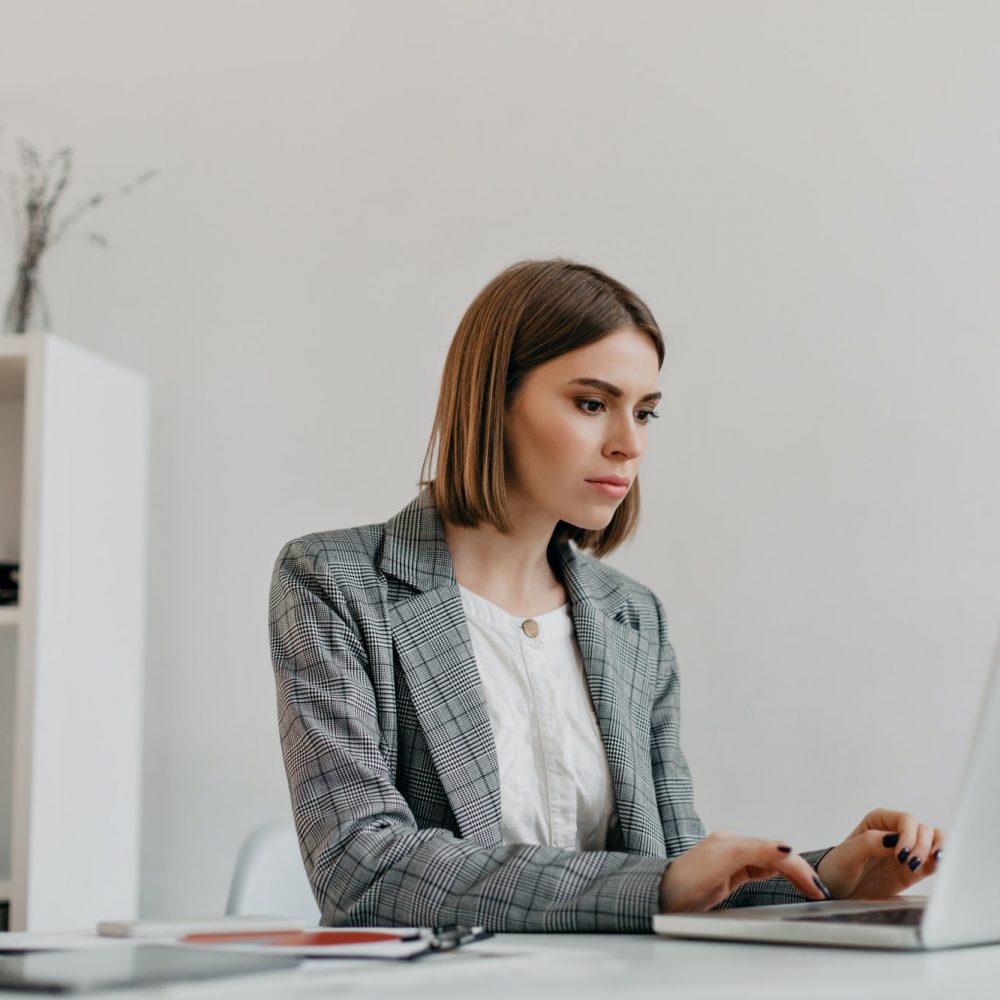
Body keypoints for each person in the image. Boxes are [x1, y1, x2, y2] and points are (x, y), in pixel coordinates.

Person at [268, 258, 944, 931]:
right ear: (493, 400)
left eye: (645, 412)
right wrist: (660, 883)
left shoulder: (632, 618)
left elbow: (680, 870)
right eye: (592, 404)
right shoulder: (336, 581)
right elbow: (362, 866)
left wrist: (829, 878)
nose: (629, 444)